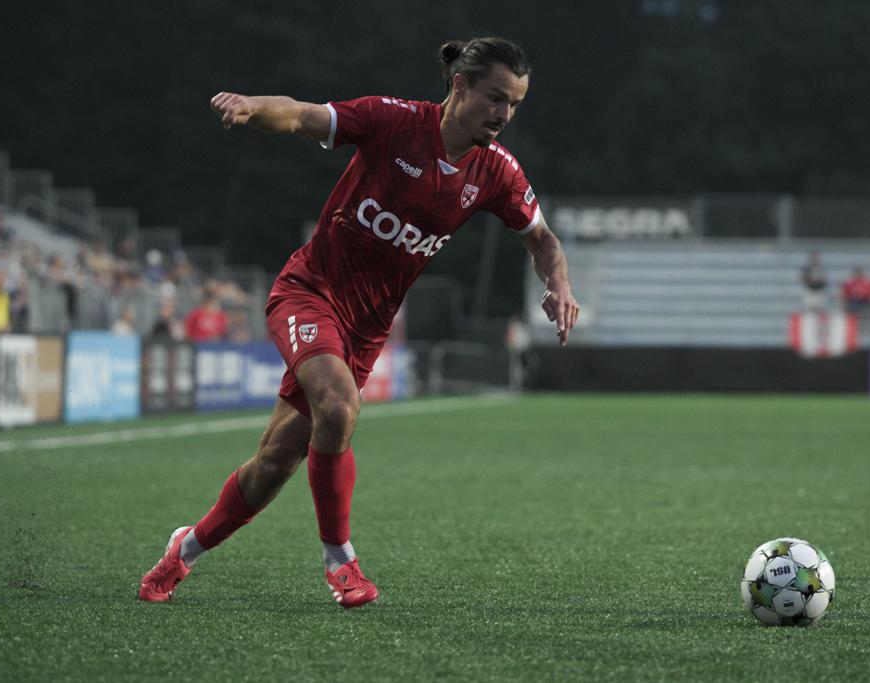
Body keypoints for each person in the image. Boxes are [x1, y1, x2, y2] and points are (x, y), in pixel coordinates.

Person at [140, 38, 579, 609]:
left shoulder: (497, 171)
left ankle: (184, 549)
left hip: (366, 331)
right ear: (459, 85)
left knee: (274, 464)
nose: (504, 113)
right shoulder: (392, 121)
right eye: (495, 97)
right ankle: (340, 561)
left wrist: (559, 282)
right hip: (309, 293)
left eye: (514, 103)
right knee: (340, 407)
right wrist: (251, 105)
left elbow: (542, 240)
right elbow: (301, 115)